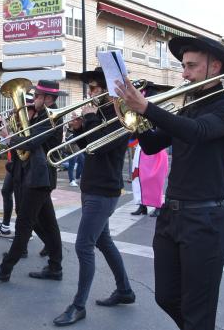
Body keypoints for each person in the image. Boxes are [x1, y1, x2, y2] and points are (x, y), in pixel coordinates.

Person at [115, 36, 224, 330]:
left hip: (206, 220)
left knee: (197, 311)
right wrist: (129, 117)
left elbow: (197, 132)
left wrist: (147, 107)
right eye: (183, 66)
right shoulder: (187, 110)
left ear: (215, 67)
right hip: (171, 215)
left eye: (191, 66)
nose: (184, 73)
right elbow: (151, 145)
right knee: (166, 296)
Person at [53, 67, 134, 327]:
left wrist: (88, 120)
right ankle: (124, 290)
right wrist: (77, 129)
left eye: (95, 88)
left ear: (108, 89)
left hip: (104, 190)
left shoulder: (122, 116)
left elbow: (102, 144)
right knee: (104, 241)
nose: (90, 93)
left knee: (83, 245)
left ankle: (78, 306)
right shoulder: (98, 115)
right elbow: (88, 148)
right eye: (89, 88)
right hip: (92, 187)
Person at [0, 80, 63, 284]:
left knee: (24, 223)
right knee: (48, 224)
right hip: (32, 176)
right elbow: (26, 138)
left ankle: (5, 269)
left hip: (38, 178)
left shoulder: (52, 116)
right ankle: (55, 267)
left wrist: (8, 137)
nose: (34, 99)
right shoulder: (40, 114)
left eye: (38, 96)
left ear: (49, 99)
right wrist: (9, 125)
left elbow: (31, 142)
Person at [130, 83, 169, 218]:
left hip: (156, 148)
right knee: (139, 178)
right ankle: (142, 204)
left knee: (156, 179)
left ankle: (159, 205)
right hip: (141, 148)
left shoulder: (157, 109)